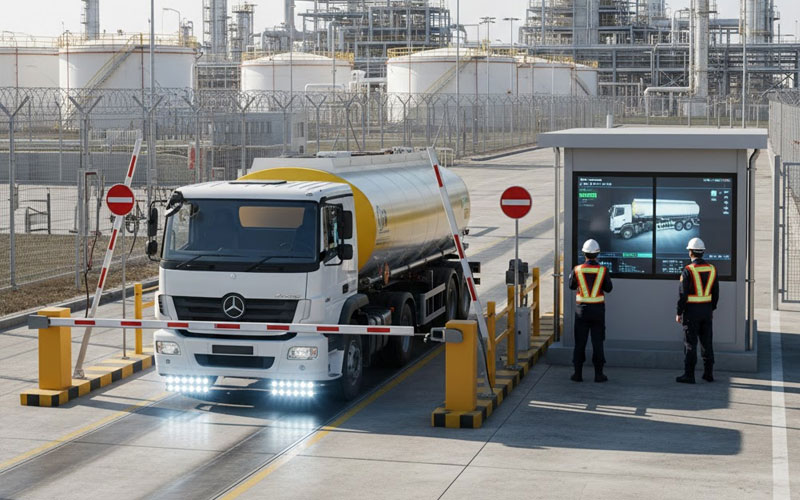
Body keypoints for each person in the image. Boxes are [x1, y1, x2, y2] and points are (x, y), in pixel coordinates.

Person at [675, 237, 719, 384]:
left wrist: (679, 312)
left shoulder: (688, 270)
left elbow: (683, 295)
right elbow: (716, 293)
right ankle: (708, 374)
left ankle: (689, 375)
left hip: (691, 313)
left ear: (691, 252)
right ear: (703, 252)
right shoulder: (712, 269)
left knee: (690, 344)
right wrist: (711, 308)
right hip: (706, 311)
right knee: (707, 343)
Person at [568, 239, 613, 383]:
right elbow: (609, 288)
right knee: (597, 343)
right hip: (598, 312)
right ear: (597, 254)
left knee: (580, 342)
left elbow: (571, 285)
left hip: (581, 312)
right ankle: (599, 375)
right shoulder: (603, 270)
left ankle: (577, 374)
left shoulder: (577, 269)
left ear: (584, 253)